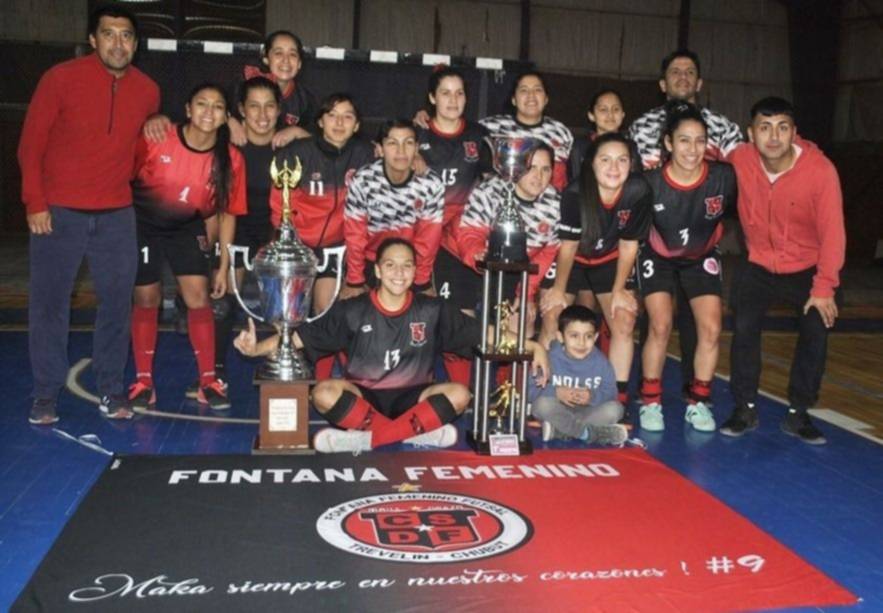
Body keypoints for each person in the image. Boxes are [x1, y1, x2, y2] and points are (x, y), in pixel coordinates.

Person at [234, 238, 550, 452]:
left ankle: (364, 441)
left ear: (416, 271)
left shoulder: (432, 309)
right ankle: (418, 434)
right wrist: (256, 348)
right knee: (323, 393)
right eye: (390, 265)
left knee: (459, 393)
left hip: (414, 397)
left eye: (407, 266)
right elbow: (299, 338)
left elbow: (486, 334)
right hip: (364, 397)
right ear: (377, 270)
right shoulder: (352, 309)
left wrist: (533, 345)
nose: (399, 273)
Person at [18, 3, 160, 424]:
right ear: (93, 40)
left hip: (117, 214)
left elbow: (138, 149)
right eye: (110, 34)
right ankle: (45, 393)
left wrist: (157, 126)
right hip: (58, 212)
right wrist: (36, 202)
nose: (119, 43)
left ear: (136, 45)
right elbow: (30, 145)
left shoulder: (148, 90)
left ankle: (112, 390)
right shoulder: (59, 78)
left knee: (117, 304)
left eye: (127, 36)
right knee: (49, 305)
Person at [720, 97, 845, 444]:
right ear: (751, 134)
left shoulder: (820, 171)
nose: (773, 137)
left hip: (808, 267)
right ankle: (744, 407)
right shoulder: (740, 159)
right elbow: (699, 155)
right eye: (764, 128)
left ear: (794, 132)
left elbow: (834, 234)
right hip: (759, 263)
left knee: (817, 326)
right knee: (743, 327)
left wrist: (824, 288)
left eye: (782, 127)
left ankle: (799, 412)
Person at [628, 49, 743, 396]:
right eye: (675, 72)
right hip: (658, 239)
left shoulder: (723, 127)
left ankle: (695, 392)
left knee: (704, 323)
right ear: (663, 84)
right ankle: (649, 394)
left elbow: (745, 175)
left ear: (700, 81)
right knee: (657, 323)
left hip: (700, 240)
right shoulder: (641, 126)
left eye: (689, 71)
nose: (682, 77)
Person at [127, 83, 247, 411]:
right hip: (144, 225)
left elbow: (228, 213)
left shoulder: (231, 159)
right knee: (146, 298)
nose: (209, 112)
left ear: (226, 117)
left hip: (186, 229)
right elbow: (124, 177)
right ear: (189, 109)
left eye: (218, 106)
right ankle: (143, 381)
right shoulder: (158, 138)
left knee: (198, 297)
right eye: (202, 104)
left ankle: (208, 381)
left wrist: (223, 265)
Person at [637, 103, 737, 432]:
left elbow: (745, 214)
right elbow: (631, 234)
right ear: (668, 143)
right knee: (660, 326)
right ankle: (651, 401)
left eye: (699, 141)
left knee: (711, 328)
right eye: (684, 140)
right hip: (658, 256)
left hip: (700, 257)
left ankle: (699, 403)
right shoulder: (650, 183)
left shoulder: (724, 177)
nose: (692, 149)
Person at [539, 133, 652, 407]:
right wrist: (558, 290)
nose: (614, 168)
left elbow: (628, 246)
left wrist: (618, 290)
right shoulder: (576, 193)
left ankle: (616, 399)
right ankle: (541, 391)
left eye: (622, 160)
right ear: (591, 164)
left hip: (610, 260)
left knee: (624, 320)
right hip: (573, 259)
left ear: (631, 164)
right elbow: (568, 247)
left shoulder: (639, 191)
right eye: (606, 160)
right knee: (553, 317)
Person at [271, 92, 375, 380]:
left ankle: (327, 378)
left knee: (327, 309)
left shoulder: (366, 156)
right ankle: (292, 372)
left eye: (348, 116)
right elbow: (278, 203)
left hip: (336, 248)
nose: (339, 123)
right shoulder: (298, 152)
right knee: (290, 316)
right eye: (332, 115)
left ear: (356, 125)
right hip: (298, 247)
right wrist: (288, 243)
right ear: (320, 121)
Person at [415, 67, 489, 384]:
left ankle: (463, 388)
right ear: (432, 98)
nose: (452, 99)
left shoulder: (477, 136)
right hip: (421, 234)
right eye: (445, 92)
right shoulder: (415, 135)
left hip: (460, 238)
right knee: (421, 313)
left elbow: (489, 182)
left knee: (460, 314)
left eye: (459, 93)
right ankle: (409, 380)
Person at [211, 76, 283, 383]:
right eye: (254, 107)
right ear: (241, 109)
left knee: (284, 305)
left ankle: (283, 364)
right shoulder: (227, 148)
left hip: (274, 233)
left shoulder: (291, 146)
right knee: (223, 301)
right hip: (236, 230)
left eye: (269, 107)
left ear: (280, 111)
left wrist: (296, 130)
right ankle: (214, 372)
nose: (262, 115)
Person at [143, 30, 316, 149]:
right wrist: (229, 120)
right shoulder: (243, 82)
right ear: (265, 59)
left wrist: (296, 131)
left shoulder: (305, 99)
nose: (286, 60)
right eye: (278, 53)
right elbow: (205, 107)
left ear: (300, 63)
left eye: (292, 54)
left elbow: (318, 135)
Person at [341, 120, 445, 299]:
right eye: (392, 143)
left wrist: (421, 282)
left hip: (409, 265)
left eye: (408, 143)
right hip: (370, 262)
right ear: (380, 149)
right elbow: (355, 236)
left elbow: (428, 241)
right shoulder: (363, 181)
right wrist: (355, 280)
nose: (401, 151)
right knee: (350, 315)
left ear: (417, 148)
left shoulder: (431, 184)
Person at [459, 144, 561, 317]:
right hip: (464, 263)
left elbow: (547, 253)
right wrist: (477, 254)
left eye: (546, 169)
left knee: (520, 325)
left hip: (512, 270)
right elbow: (470, 233)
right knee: (464, 324)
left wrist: (526, 293)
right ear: (517, 167)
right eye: (531, 168)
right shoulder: (490, 190)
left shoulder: (556, 203)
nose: (539, 176)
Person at [529, 305, 629, 446]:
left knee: (615, 409)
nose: (581, 343)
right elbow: (530, 391)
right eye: (574, 336)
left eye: (588, 336)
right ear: (560, 336)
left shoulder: (601, 363)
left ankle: (560, 432)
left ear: (595, 337)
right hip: (558, 410)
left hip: (587, 412)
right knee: (541, 405)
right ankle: (586, 433)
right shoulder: (548, 358)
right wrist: (556, 392)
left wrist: (592, 396)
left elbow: (611, 393)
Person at [479, 72, 573, 192]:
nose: (531, 96)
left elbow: (562, 178)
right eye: (524, 90)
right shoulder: (490, 126)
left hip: (544, 206)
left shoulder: (560, 132)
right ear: (513, 99)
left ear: (546, 99)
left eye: (537, 90)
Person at [568, 89, 641, 181]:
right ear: (591, 115)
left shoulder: (631, 147)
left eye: (616, 109)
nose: (610, 115)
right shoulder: (580, 147)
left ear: (623, 114)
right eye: (603, 110)